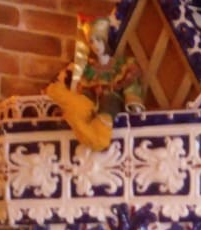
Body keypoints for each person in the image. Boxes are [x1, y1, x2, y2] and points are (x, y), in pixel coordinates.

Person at [46, 15, 144, 151]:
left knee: (107, 103)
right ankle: (82, 127)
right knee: (75, 105)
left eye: (98, 40)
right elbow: (69, 81)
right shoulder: (87, 68)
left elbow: (130, 84)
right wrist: (69, 74)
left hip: (109, 103)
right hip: (88, 102)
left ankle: (96, 137)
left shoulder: (121, 65)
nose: (95, 46)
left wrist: (133, 101)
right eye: (91, 42)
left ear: (105, 40)